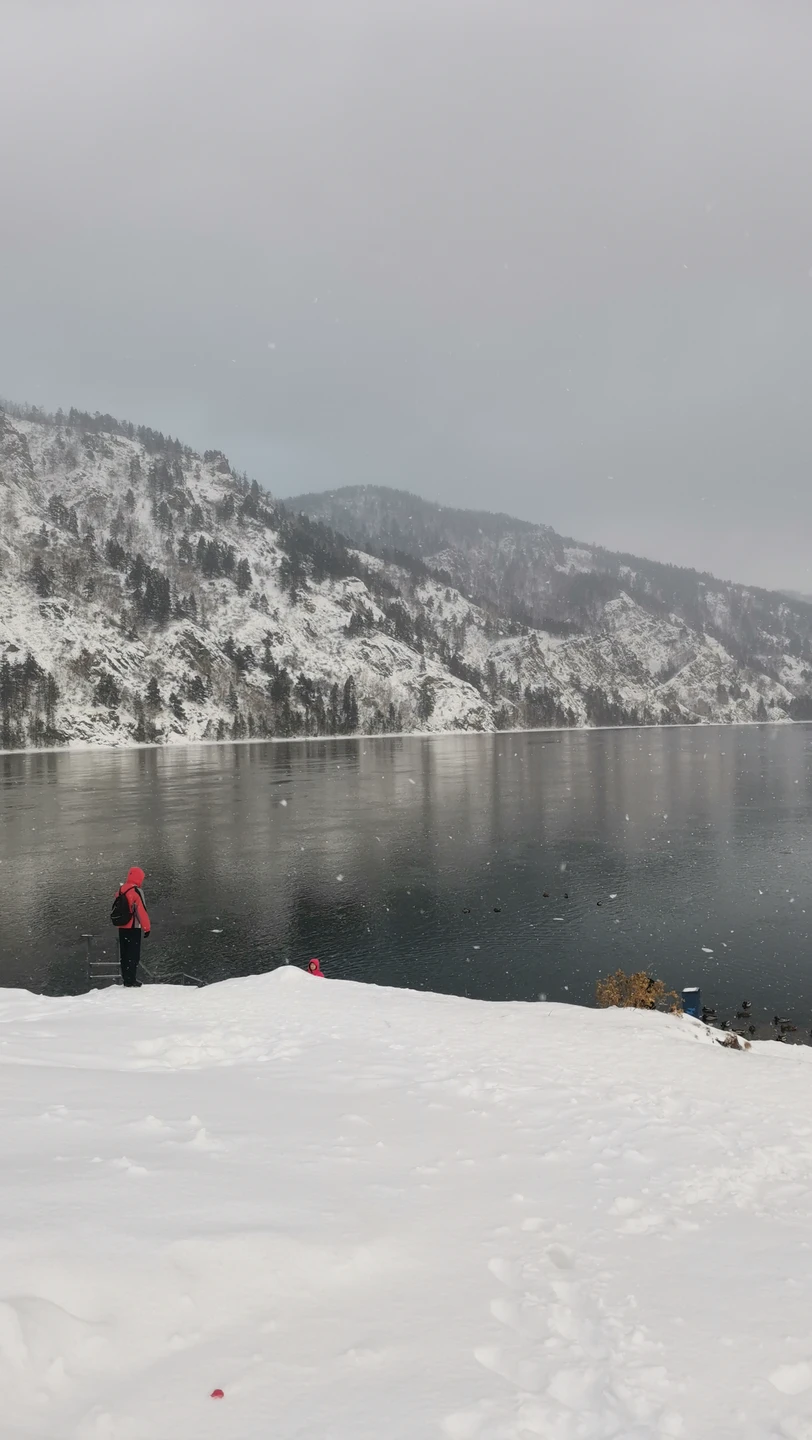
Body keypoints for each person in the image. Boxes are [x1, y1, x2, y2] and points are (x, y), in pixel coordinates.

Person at [115, 866, 151, 987]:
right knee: (133, 955)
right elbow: (141, 911)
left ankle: (126, 979)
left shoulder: (121, 889)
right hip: (133, 927)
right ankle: (131, 980)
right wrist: (147, 928)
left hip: (122, 926)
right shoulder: (137, 891)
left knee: (124, 954)